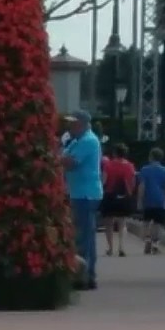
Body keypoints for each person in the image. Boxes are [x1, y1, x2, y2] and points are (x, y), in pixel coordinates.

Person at [61, 110, 102, 290]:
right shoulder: (77, 141)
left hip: (85, 194)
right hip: (79, 192)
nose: (70, 126)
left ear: (83, 124)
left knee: (83, 236)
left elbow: (70, 162)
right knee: (85, 235)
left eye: (73, 123)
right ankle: (87, 274)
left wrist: (55, 158)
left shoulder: (88, 141)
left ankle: (83, 277)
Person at [100, 143, 135, 257]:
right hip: (124, 197)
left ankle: (110, 248)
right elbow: (132, 183)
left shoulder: (108, 165)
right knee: (122, 223)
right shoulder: (130, 166)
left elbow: (103, 181)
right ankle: (121, 247)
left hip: (110, 196)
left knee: (109, 224)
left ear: (115, 153)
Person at [138, 147, 165, 254]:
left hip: (148, 200)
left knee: (146, 222)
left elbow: (142, 186)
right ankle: (155, 244)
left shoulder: (145, 170)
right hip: (160, 200)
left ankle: (147, 239)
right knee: (158, 223)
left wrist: (139, 200)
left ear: (151, 157)